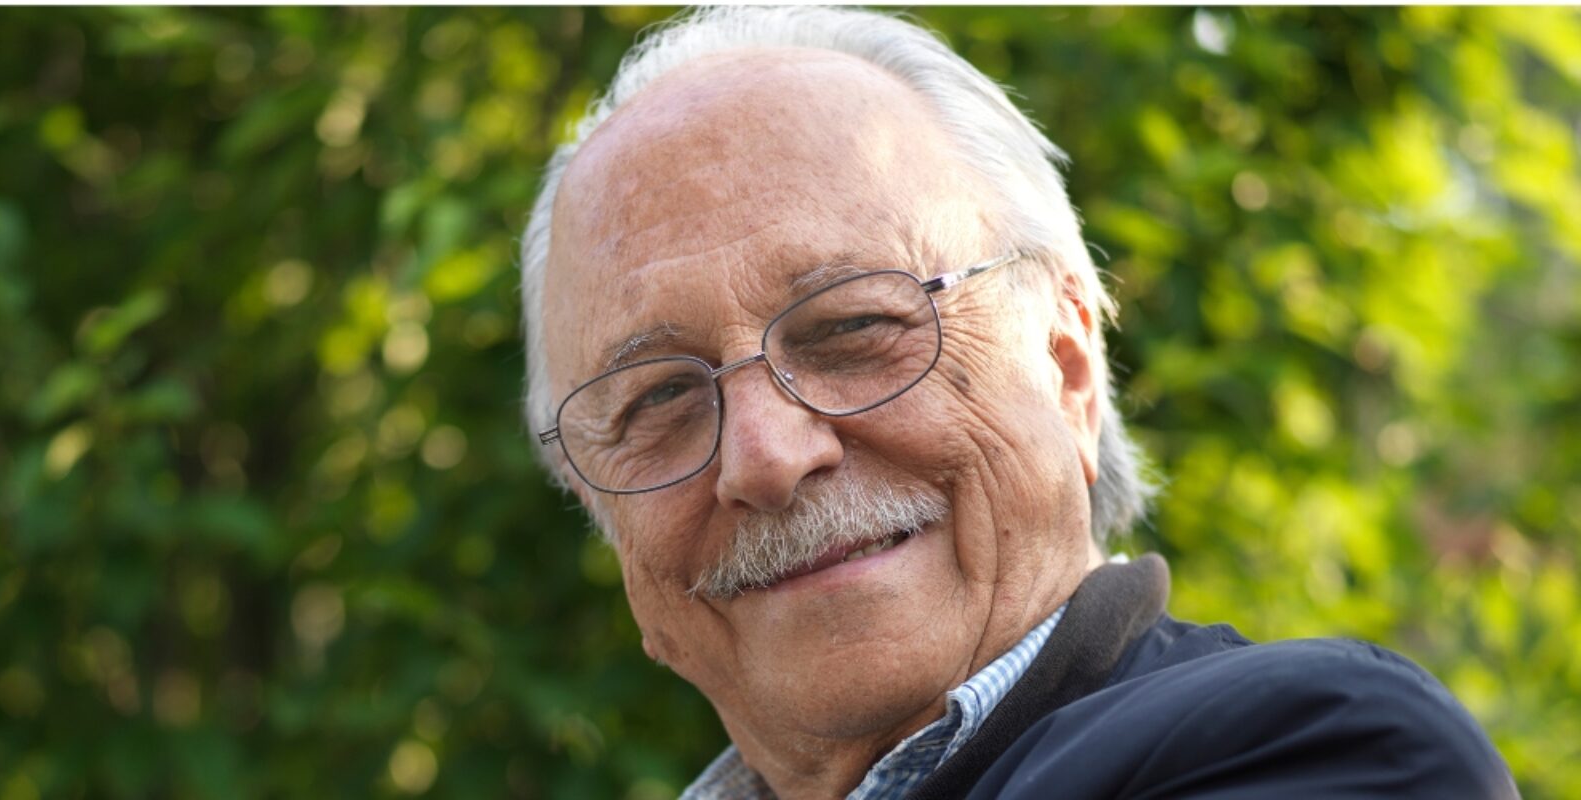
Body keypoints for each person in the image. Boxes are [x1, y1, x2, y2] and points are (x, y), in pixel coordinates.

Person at [517, 7, 1517, 799]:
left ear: (1069, 365)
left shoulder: (1320, 749)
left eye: (854, 329)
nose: (769, 455)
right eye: (656, 398)